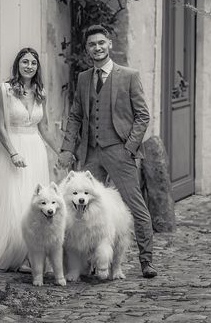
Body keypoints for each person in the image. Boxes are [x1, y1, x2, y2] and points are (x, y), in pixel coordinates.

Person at [57, 24, 157, 278]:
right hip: (92, 153)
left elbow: (143, 116)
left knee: (135, 206)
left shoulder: (129, 75)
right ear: (87, 49)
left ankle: (147, 261)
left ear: (109, 44)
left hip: (120, 151)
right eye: (92, 44)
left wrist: (128, 148)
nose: (97, 48)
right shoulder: (83, 78)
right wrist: (67, 149)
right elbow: (76, 116)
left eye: (101, 43)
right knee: (84, 207)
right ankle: (91, 260)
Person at [0, 47, 60, 274]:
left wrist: (60, 151)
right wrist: (13, 152)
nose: (29, 66)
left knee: (35, 203)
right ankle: (9, 253)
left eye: (33, 63)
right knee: (14, 203)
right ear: (17, 64)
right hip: (13, 148)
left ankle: (30, 257)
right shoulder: (5, 90)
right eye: (25, 61)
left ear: (37, 67)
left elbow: (44, 127)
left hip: (36, 149)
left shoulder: (40, 92)